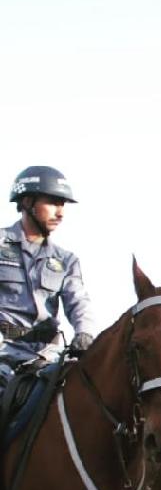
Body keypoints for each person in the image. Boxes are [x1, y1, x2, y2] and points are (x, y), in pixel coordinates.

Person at [0, 166, 96, 393]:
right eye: (53, 202)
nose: (60, 213)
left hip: (48, 355)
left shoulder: (66, 260)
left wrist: (85, 333)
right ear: (27, 202)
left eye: (62, 205)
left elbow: (79, 302)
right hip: (4, 351)